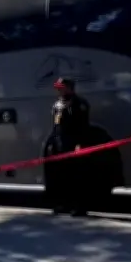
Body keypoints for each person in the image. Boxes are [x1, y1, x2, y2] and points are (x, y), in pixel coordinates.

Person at [44, 77, 91, 217]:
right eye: (57, 87)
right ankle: (63, 204)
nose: (58, 90)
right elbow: (56, 126)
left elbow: (83, 127)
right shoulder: (57, 104)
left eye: (61, 87)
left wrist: (80, 145)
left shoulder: (78, 104)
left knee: (76, 177)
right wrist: (52, 144)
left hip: (73, 145)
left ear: (69, 88)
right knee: (60, 176)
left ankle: (79, 206)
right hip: (60, 145)